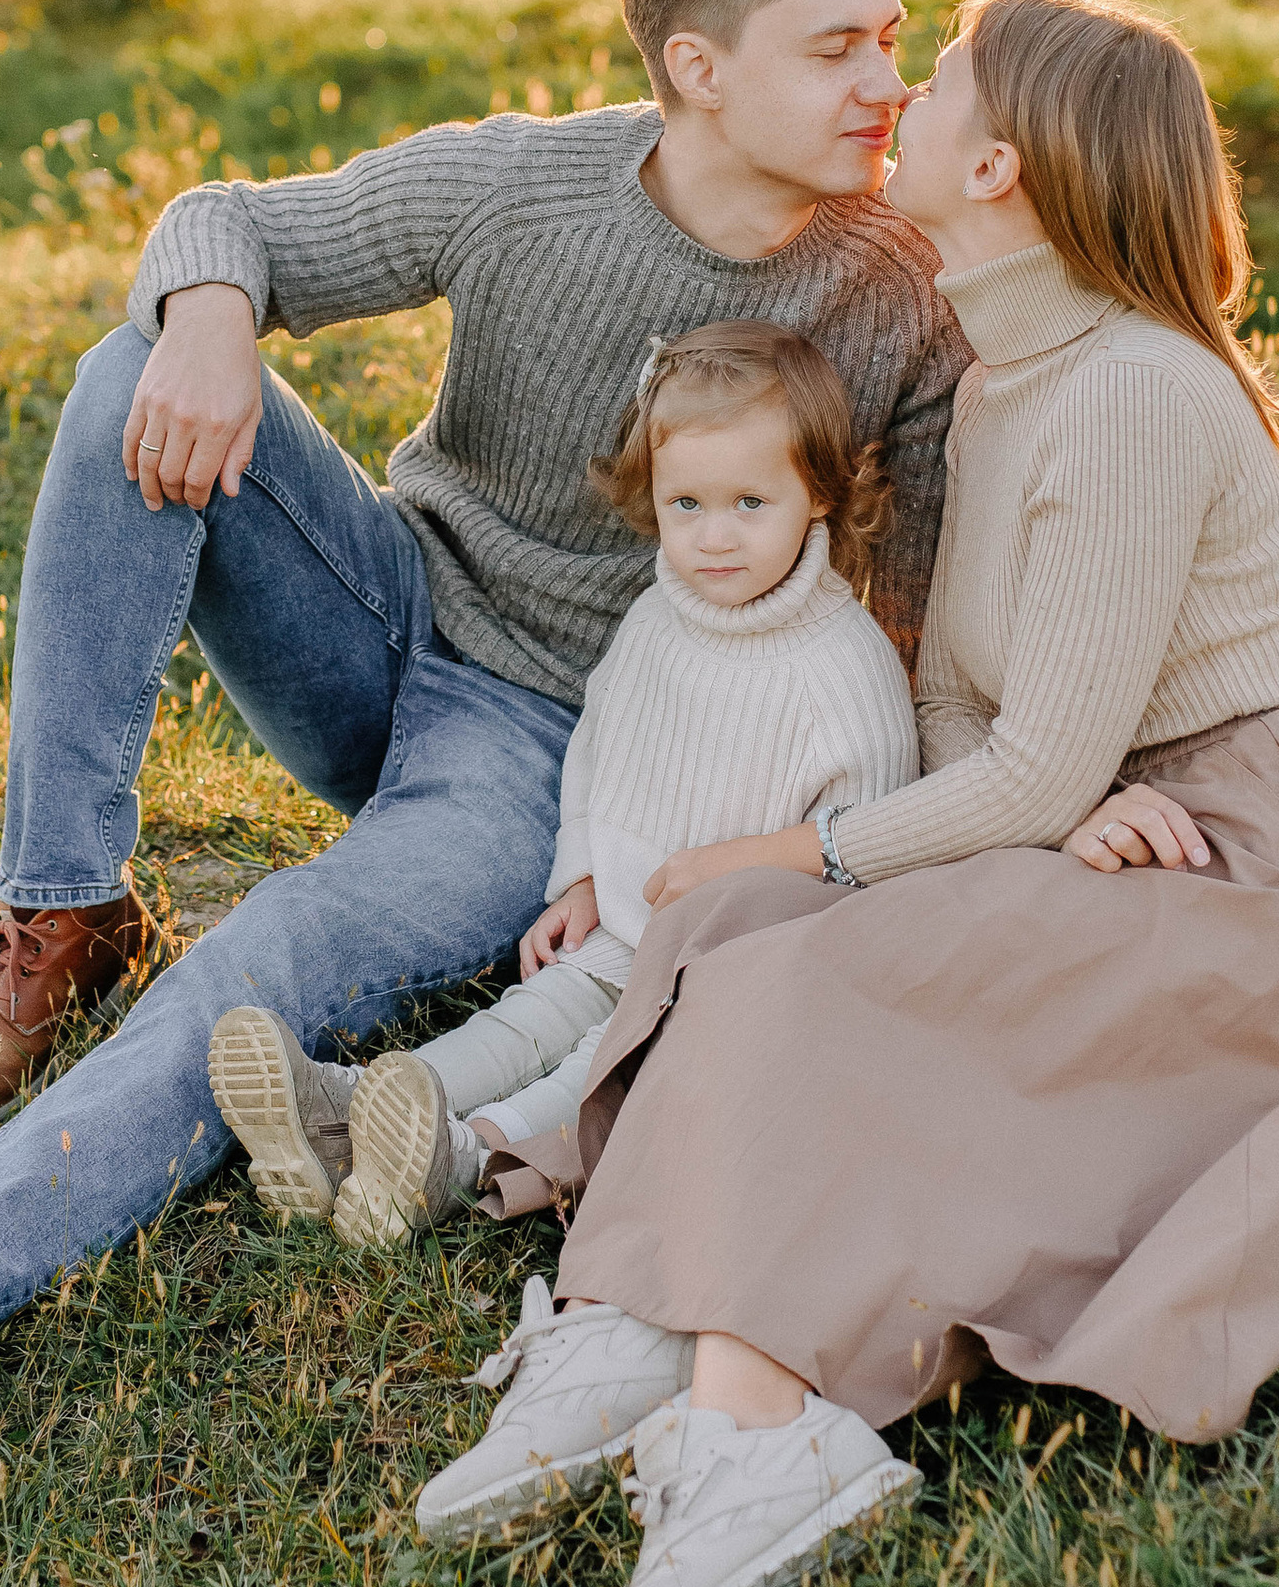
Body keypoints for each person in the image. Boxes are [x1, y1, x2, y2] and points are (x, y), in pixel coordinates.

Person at [0, 0, 966, 1469]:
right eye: (837, 47)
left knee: (265, 960)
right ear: (698, 70)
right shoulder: (529, 183)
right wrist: (215, 322)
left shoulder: (902, 294)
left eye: (890, 37)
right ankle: (61, 902)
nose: (886, 83)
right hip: (387, 621)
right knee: (133, 357)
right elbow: (227, 221)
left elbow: (925, 632)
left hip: (563, 765)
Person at [408, 0, 1279, 1587]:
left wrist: (833, 850)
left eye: (931, 78)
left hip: (1266, 863)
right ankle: (628, 1316)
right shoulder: (1004, 375)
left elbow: (1028, 771)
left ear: (999, 163)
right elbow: (961, 715)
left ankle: (760, 1427)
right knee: (730, 942)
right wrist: (1007, 815)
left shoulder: (1135, 393)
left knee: (806, 957)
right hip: (1104, 807)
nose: (897, 94)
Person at [205, 318, 917, 1260]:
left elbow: (857, 860)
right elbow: (598, 752)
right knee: (523, 1020)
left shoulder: (844, 669)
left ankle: (458, 1160)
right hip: (616, 927)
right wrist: (580, 877)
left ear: (818, 494)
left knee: (590, 1068)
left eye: (752, 502)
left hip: (716, 975)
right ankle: (349, 1106)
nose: (714, 538)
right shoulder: (661, 617)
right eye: (687, 505)